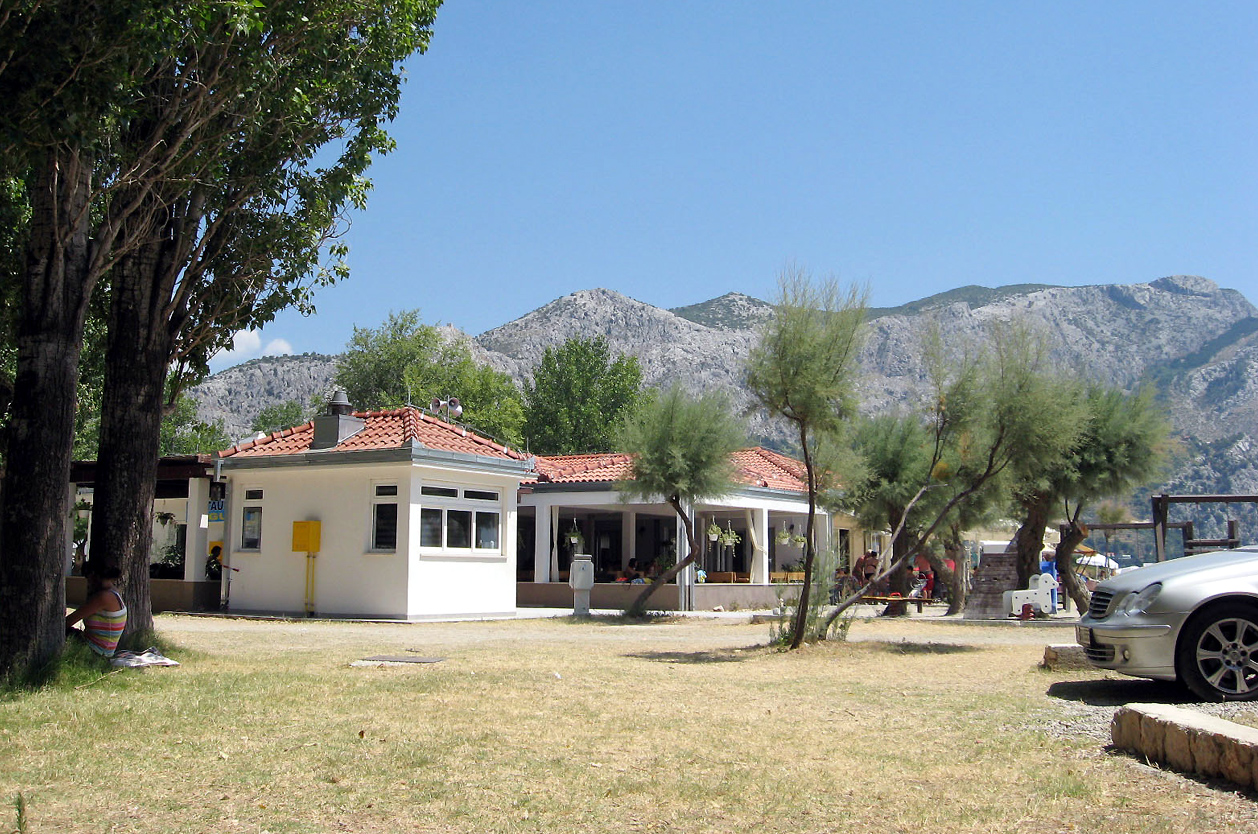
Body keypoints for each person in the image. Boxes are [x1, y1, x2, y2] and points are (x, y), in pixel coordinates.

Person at [66, 563, 128, 658]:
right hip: (101, 650)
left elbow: (69, 620)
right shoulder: (113, 592)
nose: (88, 583)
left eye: (88, 578)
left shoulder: (104, 597)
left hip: (97, 652)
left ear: (94, 576)